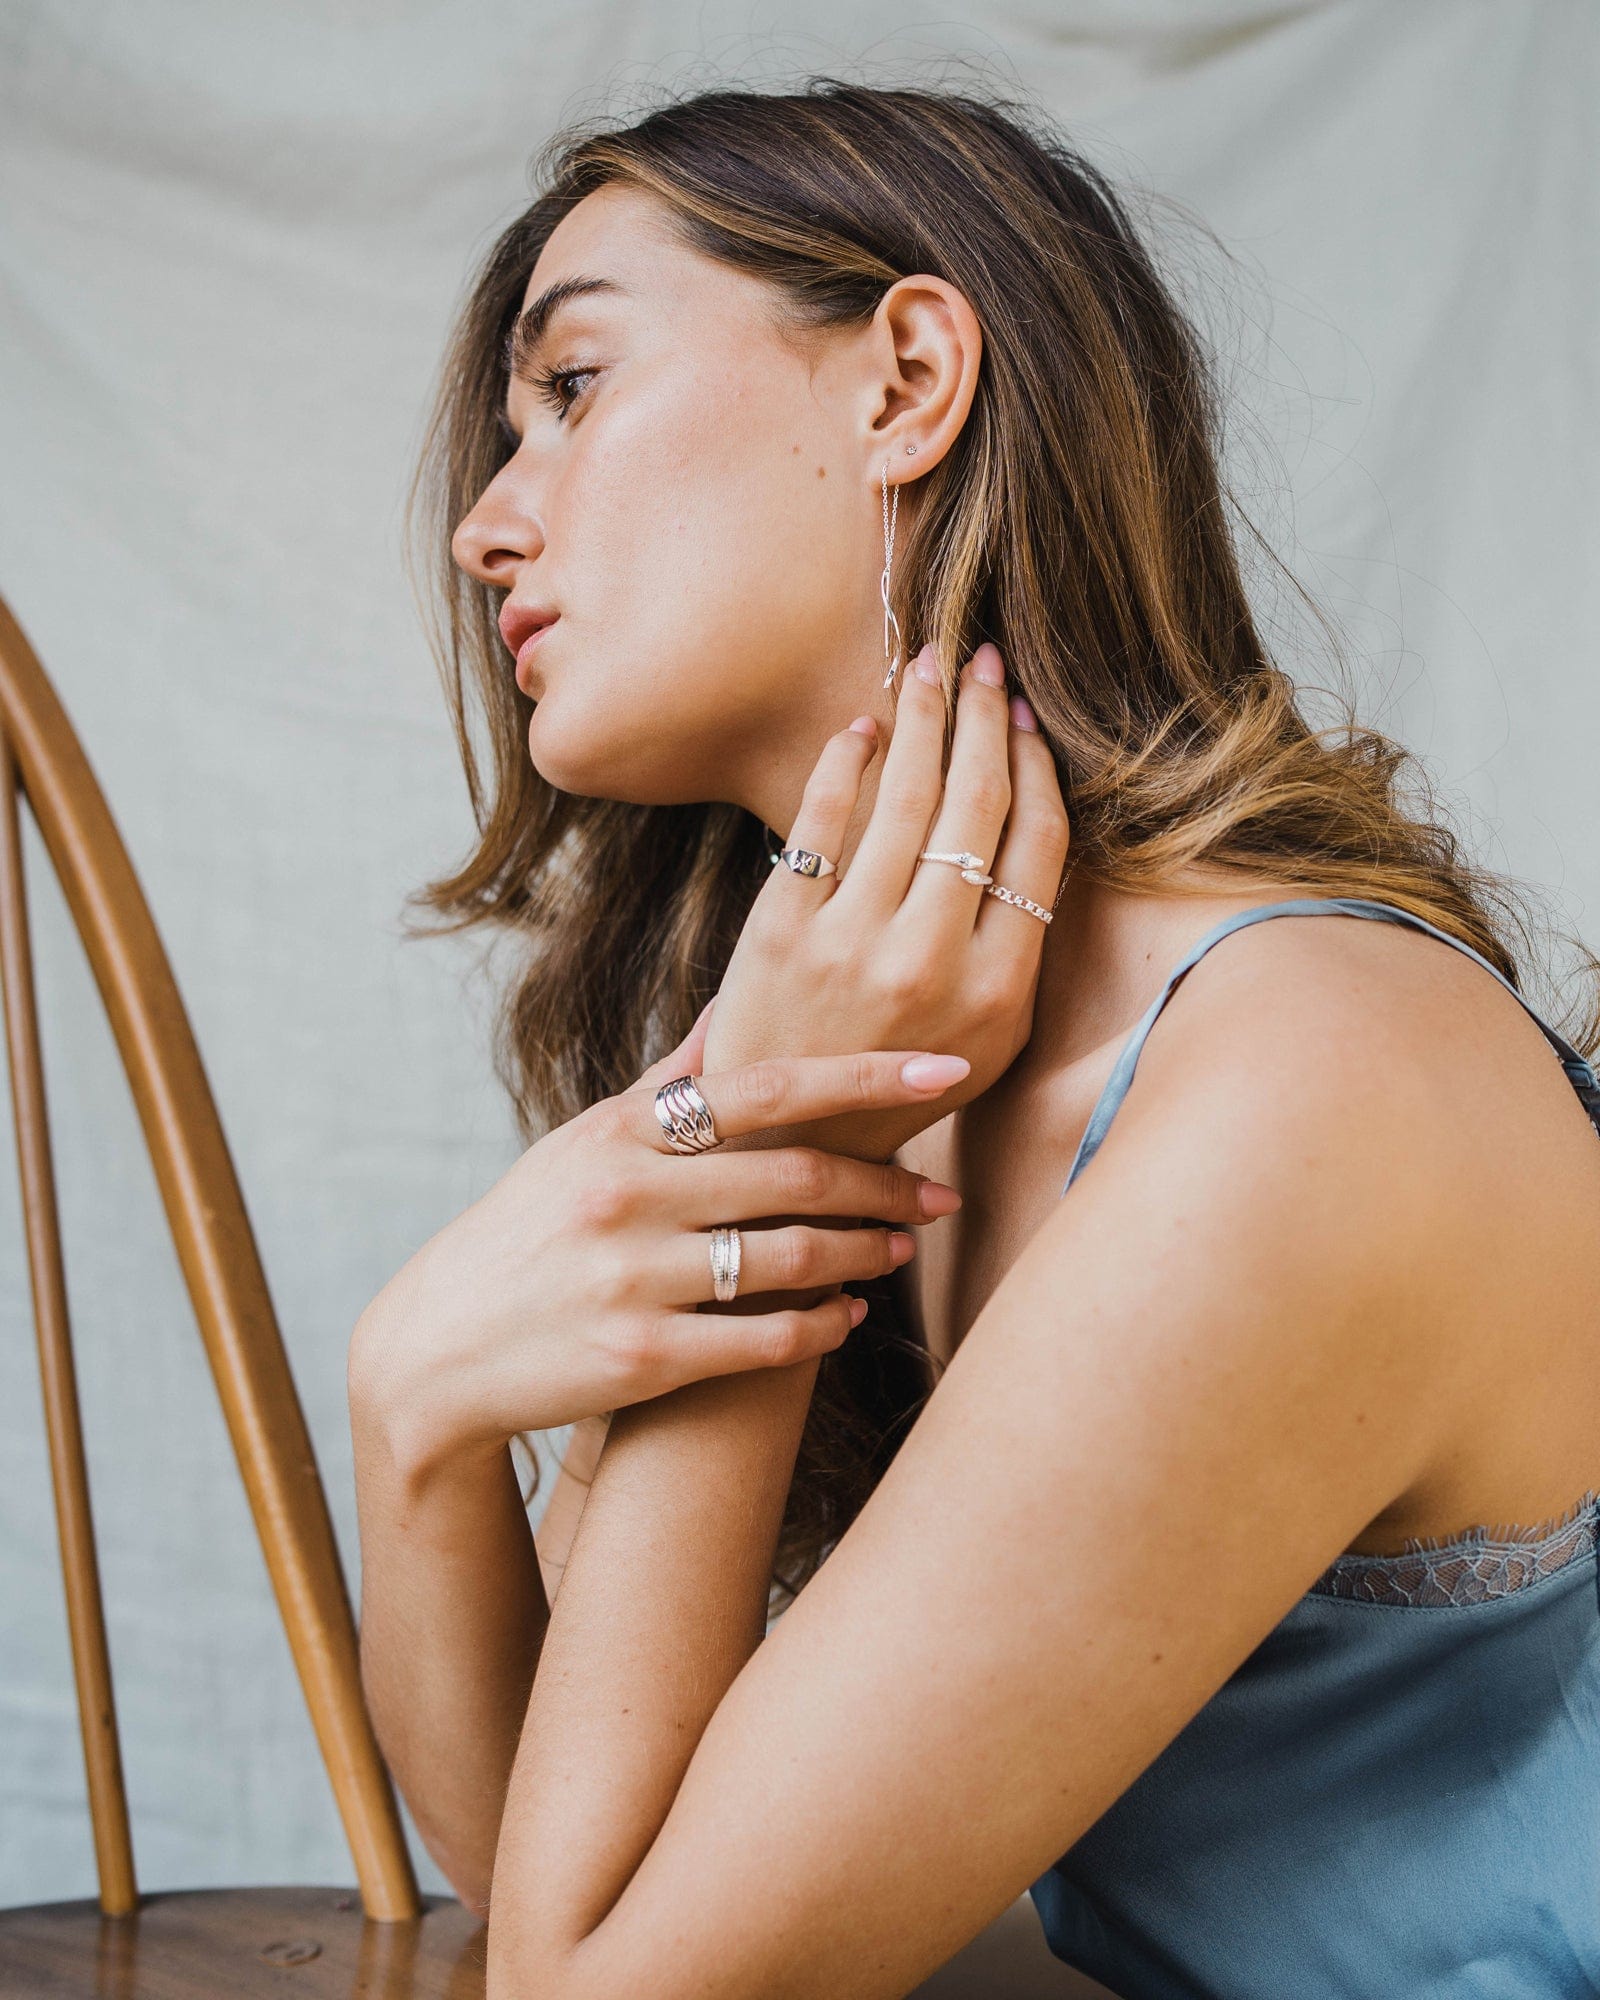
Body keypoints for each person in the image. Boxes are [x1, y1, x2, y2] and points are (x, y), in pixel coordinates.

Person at [347, 78, 1600, 1999]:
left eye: (575, 387)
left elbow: (597, 1989)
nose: (483, 529)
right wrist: (416, 1421)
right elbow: (553, 1866)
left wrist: (767, 1139)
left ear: (909, 376)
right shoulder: (887, 1037)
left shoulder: (1305, 1085)